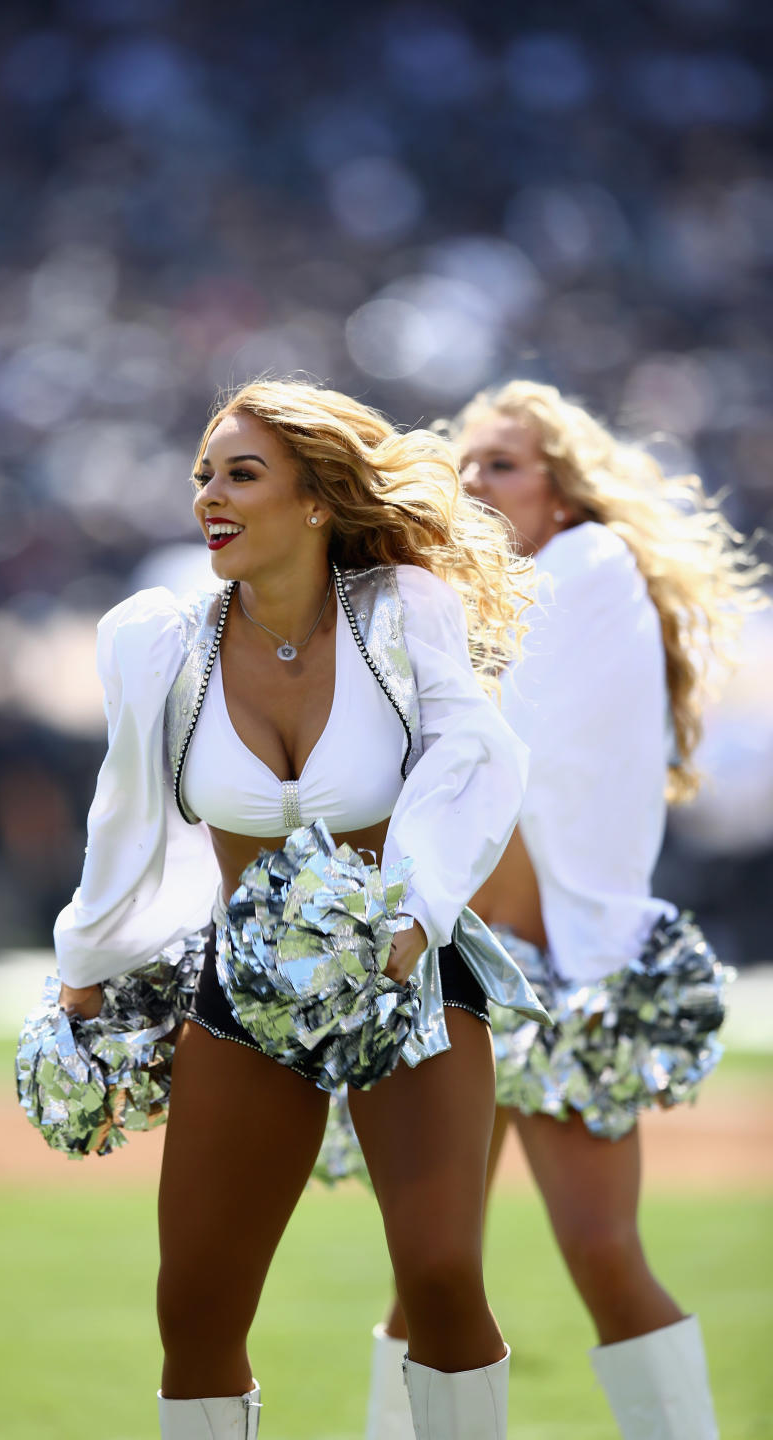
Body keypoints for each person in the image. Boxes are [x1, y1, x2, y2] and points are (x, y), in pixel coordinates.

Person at [52, 379, 549, 1439]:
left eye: (242, 474)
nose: (211, 498)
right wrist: (84, 967)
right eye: (202, 476)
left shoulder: (402, 615)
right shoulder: (158, 644)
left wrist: (411, 919)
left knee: (442, 1271)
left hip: (406, 977)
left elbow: (478, 756)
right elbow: (124, 814)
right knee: (194, 1306)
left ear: (318, 499)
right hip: (245, 992)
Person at [363, 380, 765, 1440]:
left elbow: (497, 709)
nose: (475, 484)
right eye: (465, 467)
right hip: (457, 977)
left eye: (502, 465)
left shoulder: (590, 570)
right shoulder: (458, 598)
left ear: (564, 492)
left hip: (567, 983)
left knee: (600, 1254)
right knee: (433, 1264)